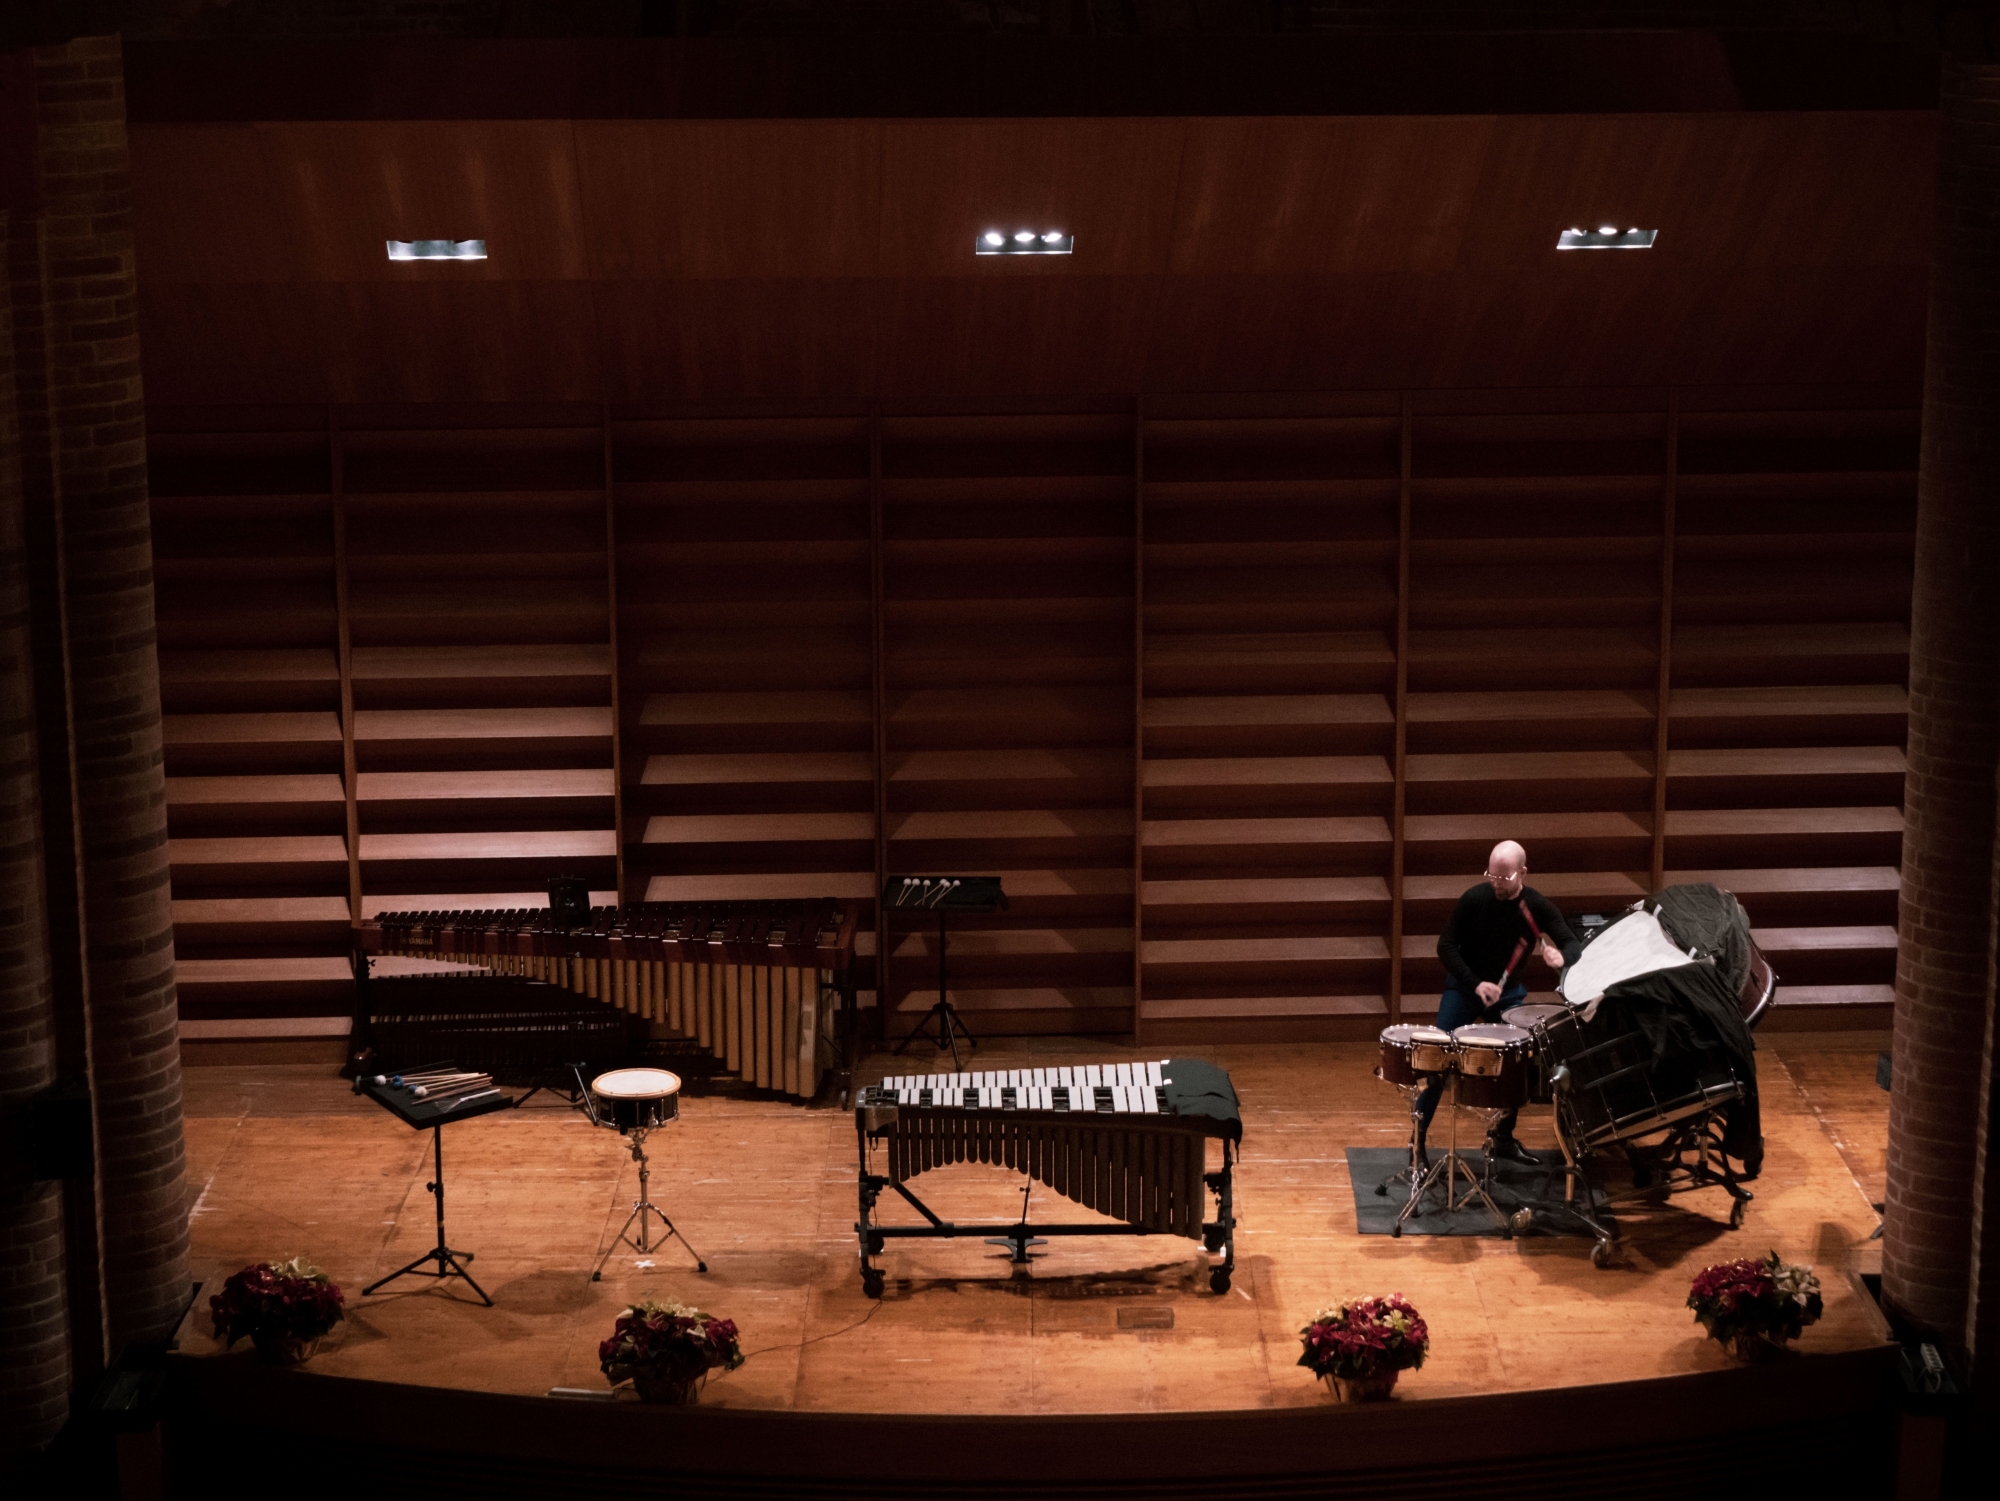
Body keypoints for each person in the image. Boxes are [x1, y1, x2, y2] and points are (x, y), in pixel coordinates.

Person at [1416, 840, 1580, 1166]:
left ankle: (1502, 1138)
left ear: (1523, 872)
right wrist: (1476, 984)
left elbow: (1573, 944)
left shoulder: (1536, 906)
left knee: (1515, 1065)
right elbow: (1445, 947)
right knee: (1435, 1060)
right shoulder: (1474, 899)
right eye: (1492, 875)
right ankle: (1416, 1143)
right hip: (1465, 989)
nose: (1496, 883)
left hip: (1507, 994)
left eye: (1503, 878)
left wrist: (1562, 956)